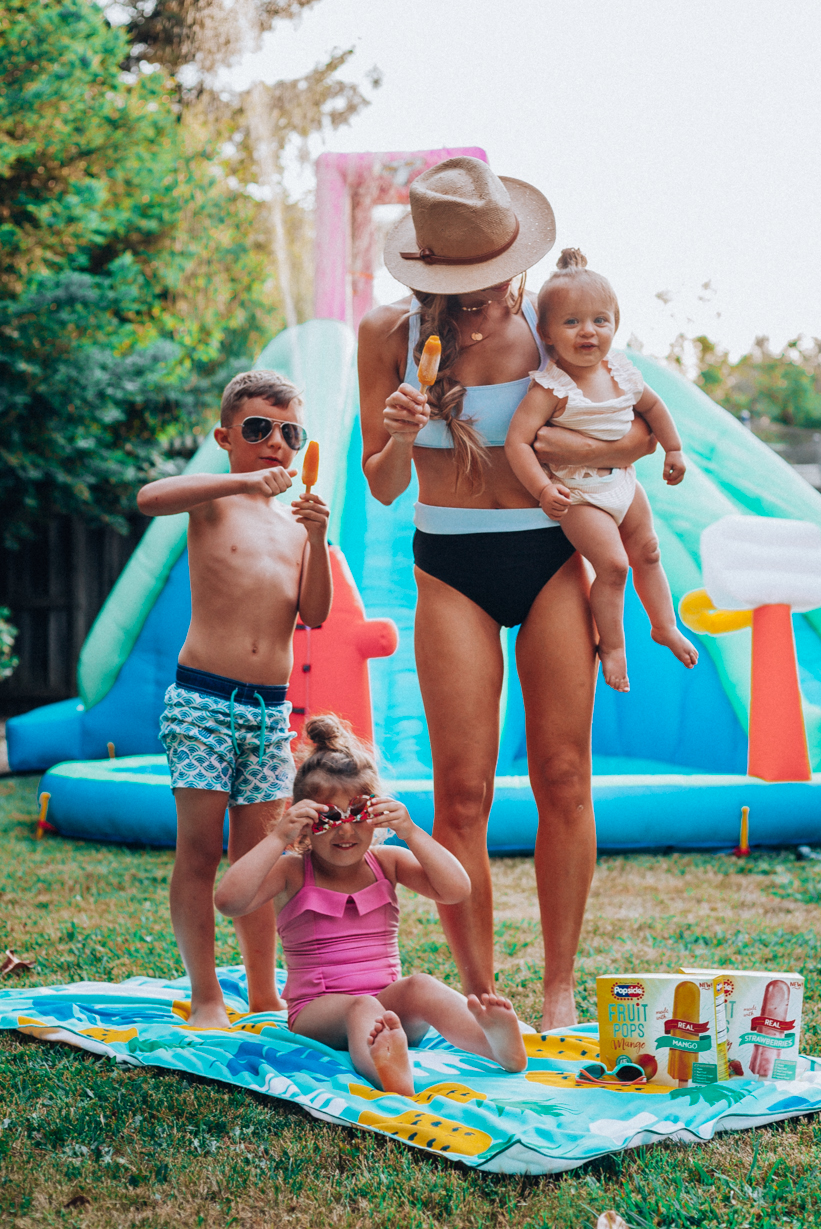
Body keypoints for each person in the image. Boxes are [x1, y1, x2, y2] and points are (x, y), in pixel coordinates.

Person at [357, 156, 655, 1030]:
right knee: (461, 793)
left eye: (493, 281)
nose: (483, 299)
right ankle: (483, 991)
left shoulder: (551, 328)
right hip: (450, 569)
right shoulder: (387, 337)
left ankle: (559, 984)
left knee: (564, 776)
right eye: (464, 284)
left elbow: (632, 430)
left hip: (552, 557)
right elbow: (380, 488)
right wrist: (403, 437)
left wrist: (567, 460)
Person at [137, 371, 333, 1028]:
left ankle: (264, 992)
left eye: (289, 433)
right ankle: (206, 996)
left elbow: (316, 612)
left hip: (268, 711)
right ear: (226, 437)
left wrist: (319, 539)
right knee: (198, 852)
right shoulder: (214, 501)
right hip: (202, 703)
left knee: (262, 857)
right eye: (257, 430)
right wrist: (242, 481)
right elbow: (149, 496)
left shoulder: (291, 527)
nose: (274, 443)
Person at [215, 715, 528, 1095]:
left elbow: (457, 889)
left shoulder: (387, 861)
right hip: (318, 1012)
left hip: (389, 1009)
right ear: (306, 820)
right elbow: (229, 901)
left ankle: (497, 1046)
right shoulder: (292, 872)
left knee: (421, 985)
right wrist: (279, 835)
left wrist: (410, 831)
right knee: (361, 1006)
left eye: (358, 814)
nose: (345, 830)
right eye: (328, 817)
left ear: (377, 812)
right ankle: (388, 1074)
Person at [505, 249, 699, 693]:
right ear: (547, 333)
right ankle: (612, 645)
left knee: (647, 550)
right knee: (613, 566)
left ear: (615, 322)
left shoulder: (622, 373)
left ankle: (663, 625)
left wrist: (674, 450)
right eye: (571, 322)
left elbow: (654, 408)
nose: (588, 331)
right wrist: (540, 488)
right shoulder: (550, 386)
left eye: (600, 320)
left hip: (622, 482)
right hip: (577, 493)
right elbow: (518, 442)